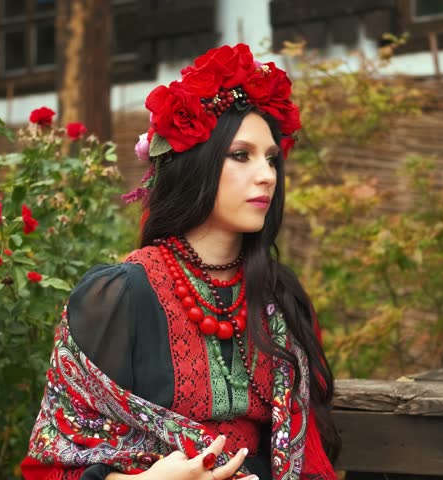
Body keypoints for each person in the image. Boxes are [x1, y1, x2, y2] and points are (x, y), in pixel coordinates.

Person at [21, 43, 340, 480]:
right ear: (196, 165)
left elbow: (307, 457)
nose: (267, 174)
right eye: (241, 155)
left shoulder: (279, 297)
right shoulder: (120, 295)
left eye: (271, 158)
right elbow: (54, 460)